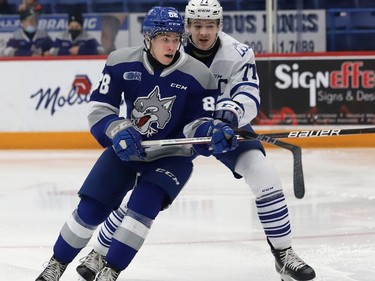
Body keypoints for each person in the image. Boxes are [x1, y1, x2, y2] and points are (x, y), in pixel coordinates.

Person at [75, 1, 317, 281]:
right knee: (142, 195)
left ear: (220, 26)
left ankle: (284, 254)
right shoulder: (170, 44)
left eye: (211, 25)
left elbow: (248, 93)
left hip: (223, 128)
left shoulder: (238, 53)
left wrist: (232, 112)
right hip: (176, 129)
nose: (204, 32)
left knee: (265, 174)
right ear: (186, 26)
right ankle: (100, 251)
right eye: (198, 25)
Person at [35, 6, 237, 281]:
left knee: (142, 208)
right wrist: (118, 130)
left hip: (171, 156)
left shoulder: (200, 75)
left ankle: (111, 270)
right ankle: (56, 264)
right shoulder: (120, 62)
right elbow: (99, 109)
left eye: (176, 38)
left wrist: (211, 132)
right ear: (148, 38)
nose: (172, 45)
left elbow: (197, 124)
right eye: (164, 38)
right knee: (90, 209)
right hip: (128, 147)